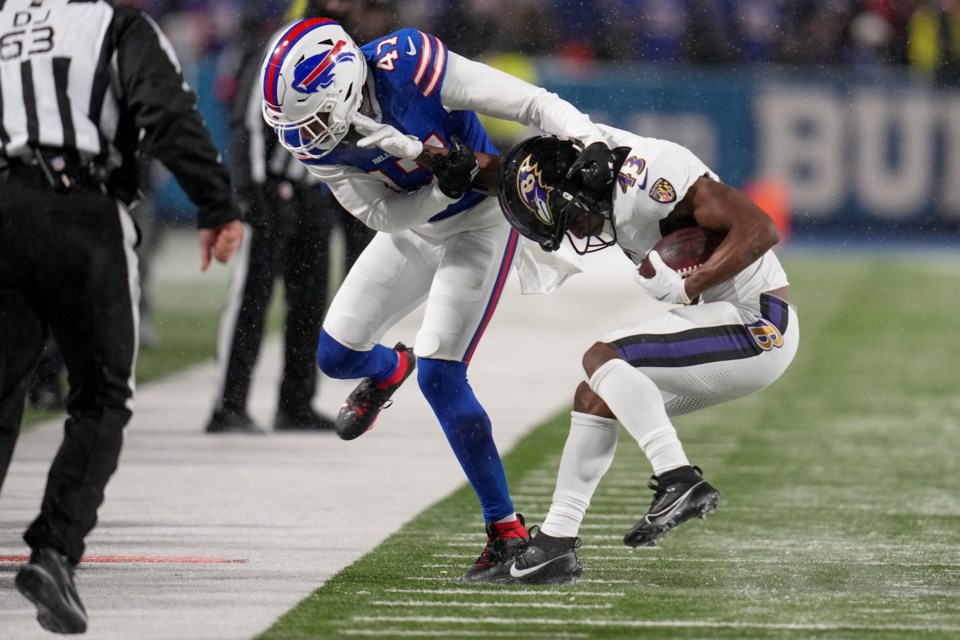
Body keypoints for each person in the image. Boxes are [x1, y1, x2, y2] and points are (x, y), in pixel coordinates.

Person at [259, 18, 610, 582]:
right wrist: (437, 188)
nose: (310, 133)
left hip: (479, 223)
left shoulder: (410, 63)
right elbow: (380, 214)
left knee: (442, 375)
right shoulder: (318, 146)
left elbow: (530, 103)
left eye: (318, 115)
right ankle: (390, 367)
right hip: (414, 228)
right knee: (335, 356)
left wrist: (591, 138)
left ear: (347, 82)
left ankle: (506, 533)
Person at [0, 0, 243, 633]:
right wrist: (217, 204)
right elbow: (165, 113)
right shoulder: (118, 27)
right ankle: (55, 550)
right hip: (80, 206)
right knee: (102, 393)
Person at [496, 133, 798, 584]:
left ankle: (679, 478)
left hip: (759, 325)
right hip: (734, 322)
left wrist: (692, 285)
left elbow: (761, 229)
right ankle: (555, 544)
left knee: (603, 356)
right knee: (595, 394)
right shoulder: (605, 185)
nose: (576, 231)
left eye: (571, 215)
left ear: (585, 186)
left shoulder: (651, 177)